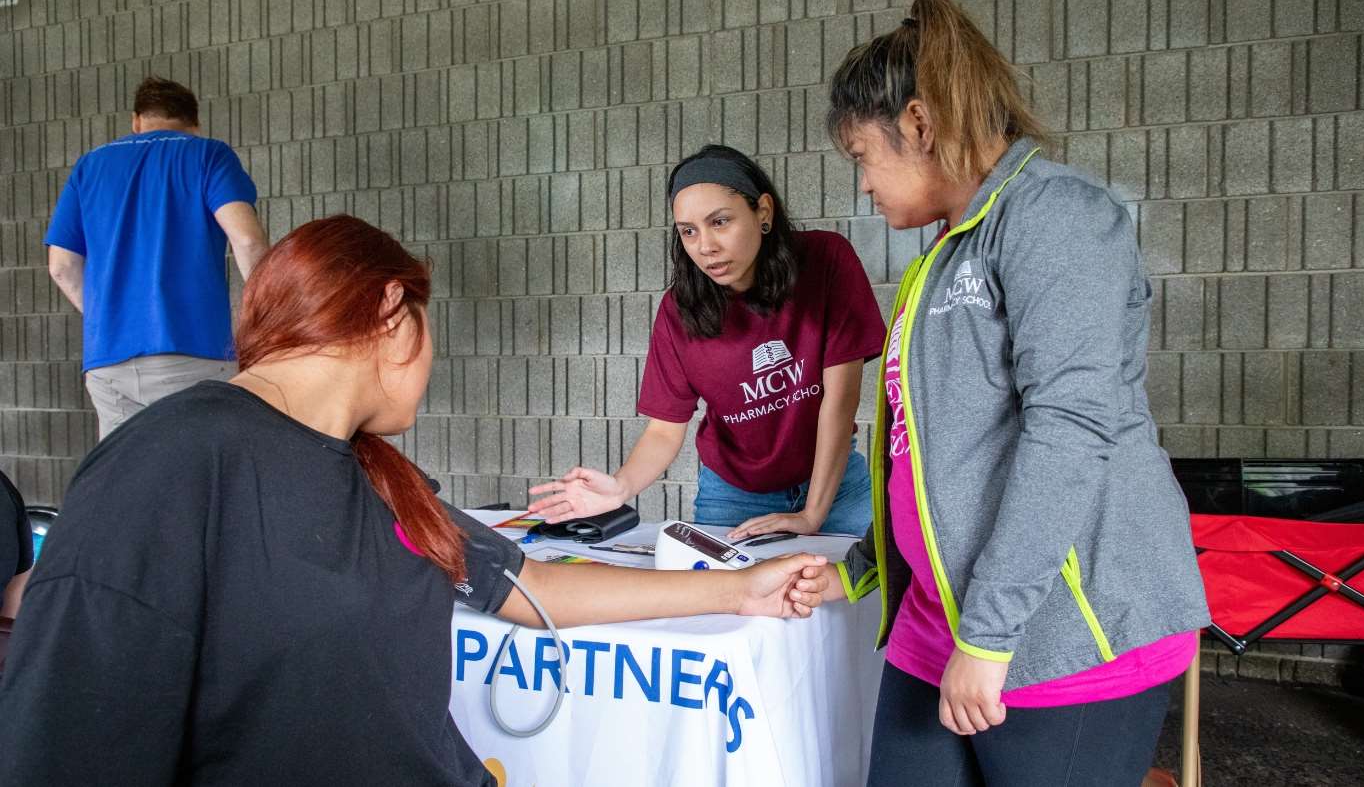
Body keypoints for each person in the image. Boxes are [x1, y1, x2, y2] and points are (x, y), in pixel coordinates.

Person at [0, 215, 830, 785]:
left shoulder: (377, 475)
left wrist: (736, 588)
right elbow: (67, 741)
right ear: (396, 316)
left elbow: (527, 587)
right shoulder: (169, 461)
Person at [818, 1, 1211, 784]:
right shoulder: (941, 255)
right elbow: (932, 456)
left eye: (863, 155)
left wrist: (990, 637)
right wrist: (858, 567)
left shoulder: (1059, 217)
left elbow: (1069, 431)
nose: (863, 184)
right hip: (938, 632)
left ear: (920, 123)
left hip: (1056, 637)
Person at [528, 145, 886, 539]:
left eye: (720, 222)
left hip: (836, 487)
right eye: (688, 231)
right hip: (733, 497)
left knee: (867, 594)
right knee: (722, 599)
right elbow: (665, 430)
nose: (705, 246)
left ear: (762, 212)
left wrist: (813, 513)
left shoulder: (825, 259)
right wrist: (621, 486)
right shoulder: (678, 311)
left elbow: (840, 401)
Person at [46, 76, 270, 439]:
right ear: (194, 124)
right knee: (198, 480)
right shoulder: (207, 154)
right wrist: (269, 317)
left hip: (109, 364)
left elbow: (60, 266)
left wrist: (111, 318)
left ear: (136, 121)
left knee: (128, 485)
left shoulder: (90, 166)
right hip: (193, 353)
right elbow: (247, 239)